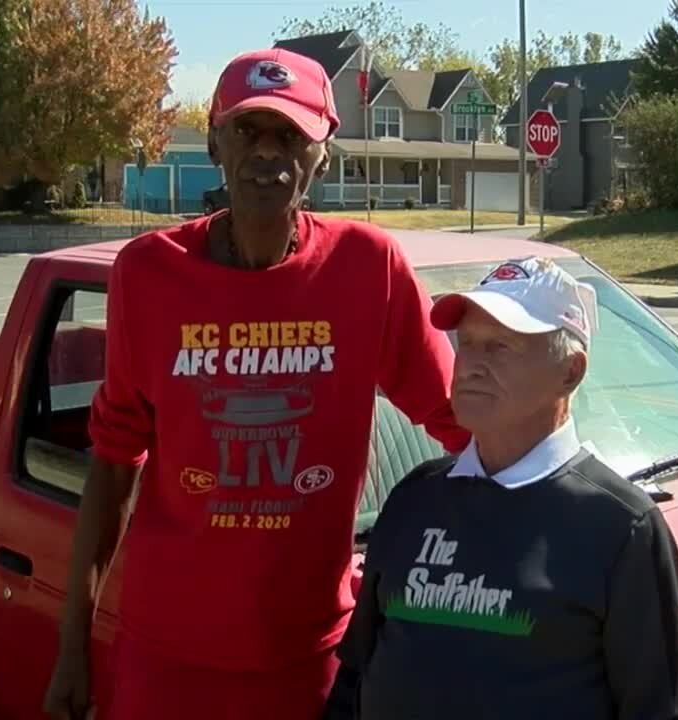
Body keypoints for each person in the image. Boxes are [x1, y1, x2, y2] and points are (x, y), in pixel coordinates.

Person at [42, 47, 470, 720]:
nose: (267, 152)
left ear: (321, 154)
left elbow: (463, 421)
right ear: (215, 142)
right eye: (247, 130)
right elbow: (115, 459)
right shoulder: (148, 275)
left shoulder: (368, 268)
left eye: (291, 135)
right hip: (166, 656)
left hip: (305, 659)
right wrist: (73, 645)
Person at [322, 256, 678, 720]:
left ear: (570, 371)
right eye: (468, 344)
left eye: (501, 346)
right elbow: (356, 672)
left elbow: (657, 709)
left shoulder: (623, 527)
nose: (471, 366)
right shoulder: (415, 498)